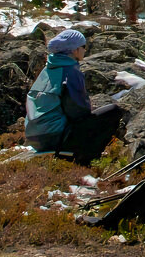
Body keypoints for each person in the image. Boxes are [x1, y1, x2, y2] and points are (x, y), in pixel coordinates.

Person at [25, 29, 126, 165]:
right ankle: (85, 160)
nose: (85, 50)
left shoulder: (48, 69)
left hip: (35, 137)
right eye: (83, 47)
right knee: (114, 111)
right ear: (74, 50)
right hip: (56, 136)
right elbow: (78, 111)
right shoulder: (70, 70)